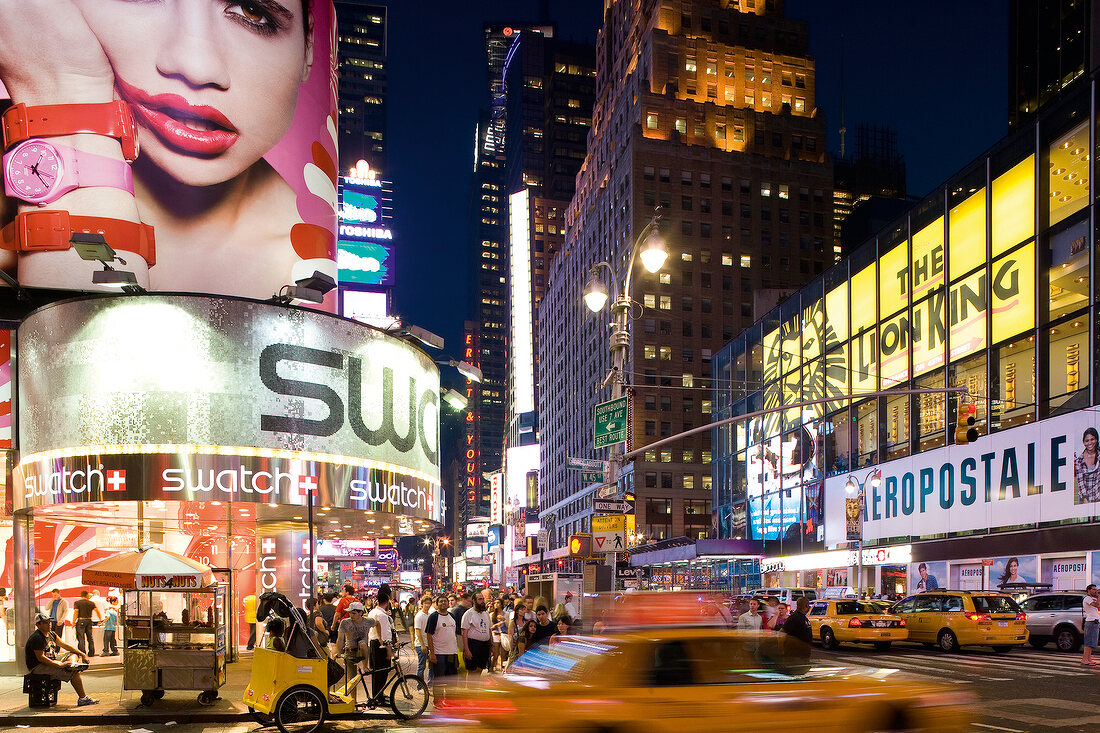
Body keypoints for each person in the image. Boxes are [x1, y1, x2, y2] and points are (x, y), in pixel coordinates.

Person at [0, 0, 331, 298]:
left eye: (252, 11)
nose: (196, 66)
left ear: (309, 46)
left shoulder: (311, 275)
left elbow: (83, 359)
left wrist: (62, 96)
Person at [25, 612, 98, 707]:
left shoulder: (51, 634)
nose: (49, 624)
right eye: (46, 622)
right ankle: (82, 698)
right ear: (38, 625)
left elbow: (64, 645)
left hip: (52, 659)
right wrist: (59, 665)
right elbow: (41, 658)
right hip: (38, 667)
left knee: (73, 653)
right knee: (74, 673)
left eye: (49, 622)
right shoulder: (37, 638)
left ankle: (72, 665)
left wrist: (81, 654)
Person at [335, 601, 375, 699]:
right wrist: (338, 652)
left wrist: (381, 638)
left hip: (363, 650)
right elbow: (340, 639)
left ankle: (365, 666)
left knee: (363, 644)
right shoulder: (345, 622)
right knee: (352, 680)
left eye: (354, 613)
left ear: (360, 613)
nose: (351, 615)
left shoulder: (368, 621)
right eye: (350, 613)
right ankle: (354, 701)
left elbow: (377, 623)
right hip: (350, 651)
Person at [425, 595, 458, 703]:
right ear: (437, 604)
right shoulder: (433, 617)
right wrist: (432, 653)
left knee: (452, 680)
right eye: (441, 601)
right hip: (439, 654)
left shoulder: (452, 616)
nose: (443, 603)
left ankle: (449, 701)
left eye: (445, 601)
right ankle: (438, 701)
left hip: (452, 653)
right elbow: (429, 635)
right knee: (439, 680)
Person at [367, 591, 393, 705]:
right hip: (381, 645)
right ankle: (379, 698)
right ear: (387, 602)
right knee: (382, 672)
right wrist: (389, 648)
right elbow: (385, 634)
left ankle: (378, 694)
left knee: (376, 672)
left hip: (373, 643)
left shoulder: (372, 612)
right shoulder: (382, 615)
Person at [460, 592, 492, 677]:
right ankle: (470, 689)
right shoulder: (468, 613)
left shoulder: (486, 613)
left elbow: (489, 629)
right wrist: (466, 649)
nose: (482, 601)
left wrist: (491, 645)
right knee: (472, 670)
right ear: (474, 601)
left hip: (485, 644)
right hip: (473, 644)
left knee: (480, 668)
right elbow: (464, 632)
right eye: (480, 599)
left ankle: (476, 688)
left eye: (483, 599)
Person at [780, 597, 813, 665]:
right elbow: (782, 633)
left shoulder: (802, 617)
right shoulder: (794, 617)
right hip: (794, 656)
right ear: (806, 606)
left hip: (803, 654)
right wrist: (781, 650)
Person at [73, 590, 101, 657]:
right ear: (87, 595)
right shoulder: (91, 603)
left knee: (81, 637)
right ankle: (91, 653)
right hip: (89, 620)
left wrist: (73, 621)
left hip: (81, 620)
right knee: (90, 637)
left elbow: (76, 612)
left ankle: (82, 653)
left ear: (81, 595)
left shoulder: (77, 603)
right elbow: (97, 611)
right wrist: (100, 620)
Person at [1076, 427, 1100, 503]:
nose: (1090, 443)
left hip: (1098, 495)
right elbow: (1081, 482)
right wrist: (1085, 499)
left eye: (1092, 439)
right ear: (1083, 442)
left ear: (1096, 440)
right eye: (1087, 441)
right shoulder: (1079, 461)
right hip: (1085, 498)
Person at [413, 596, 433, 682]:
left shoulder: (430, 615)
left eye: (429, 603)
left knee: (431, 665)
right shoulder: (419, 616)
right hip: (421, 645)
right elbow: (418, 631)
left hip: (429, 643)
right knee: (421, 666)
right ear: (422, 604)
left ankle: (430, 684)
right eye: (426, 603)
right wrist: (422, 645)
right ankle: (420, 686)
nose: (427, 605)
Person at [1082, 584, 1100, 667]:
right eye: (1093, 589)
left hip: (1095, 622)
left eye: (1095, 589)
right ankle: (1084, 659)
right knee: (1088, 642)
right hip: (1091, 622)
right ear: (1088, 590)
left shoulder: (1093, 598)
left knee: (1092, 642)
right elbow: (1096, 605)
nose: (1095, 591)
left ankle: (1089, 659)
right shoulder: (1087, 598)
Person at [489, 600, 504, 673]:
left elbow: (509, 625)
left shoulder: (506, 614)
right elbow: (489, 627)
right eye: (494, 603)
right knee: (496, 653)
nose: (496, 604)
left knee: (503, 654)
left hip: (504, 634)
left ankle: (502, 669)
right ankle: (491, 668)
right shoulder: (492, 615)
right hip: (495, 634)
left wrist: (504, 620)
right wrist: (495, 625)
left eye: (498, 603)